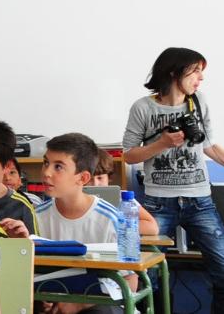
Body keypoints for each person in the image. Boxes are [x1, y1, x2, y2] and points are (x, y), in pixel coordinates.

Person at [123, 47, 224, 312]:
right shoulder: (143, 107)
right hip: (157, 203)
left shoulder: (199, 101)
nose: (200, 79)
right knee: (150, 275)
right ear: (174, 72)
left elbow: (210, 146)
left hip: (200, 201)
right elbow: (129, 156)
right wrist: (162, 143)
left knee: (223, 268)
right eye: (196, 71)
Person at [32, 133, 135, 314]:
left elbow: (131, 282)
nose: (46, 172)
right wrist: (43, 299)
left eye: (58, 167)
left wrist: (79, 304)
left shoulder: (114, 219)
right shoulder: (36, 216)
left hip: (100, 306)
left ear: (83, 178)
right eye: (46, 162)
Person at [93, 149, 158, 236]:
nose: (95, 184)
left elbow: (152, 228)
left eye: (100, 178)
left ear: (109, 178)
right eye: (89, 179)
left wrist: (116, 225)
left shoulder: (121, 197)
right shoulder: (73, 198)